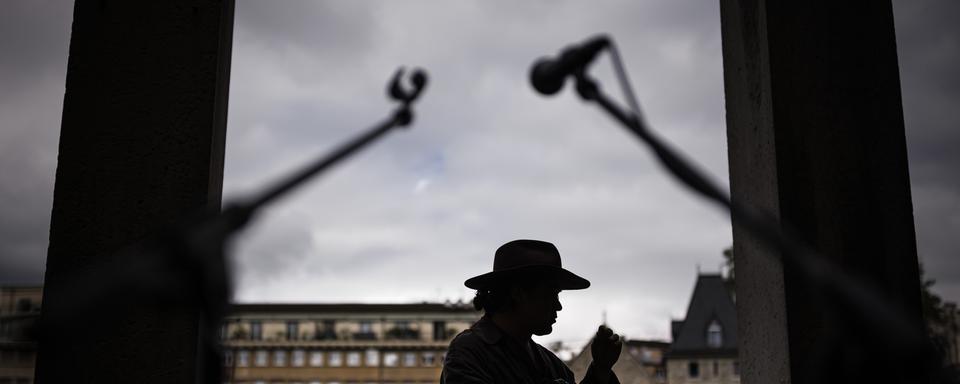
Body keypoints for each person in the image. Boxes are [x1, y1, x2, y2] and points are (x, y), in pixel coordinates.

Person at [441, 239, 622, 384]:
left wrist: (600, 369)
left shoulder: (551, 364)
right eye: (551, 294)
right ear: (519, 293)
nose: (558, 306)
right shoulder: (470, 353)